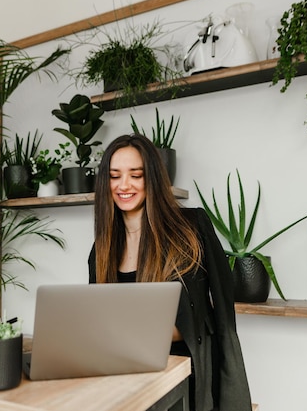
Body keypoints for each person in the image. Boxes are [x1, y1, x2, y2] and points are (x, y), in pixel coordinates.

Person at [88, 134, 252, 411]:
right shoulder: (101, 251)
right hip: (129, 380)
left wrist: (233, 398)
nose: (123, 185)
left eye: (135, 175)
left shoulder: (191, 227)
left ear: (151, 177)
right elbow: (100, 324)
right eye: (114, 176)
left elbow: (224, 315)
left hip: (186, 375)